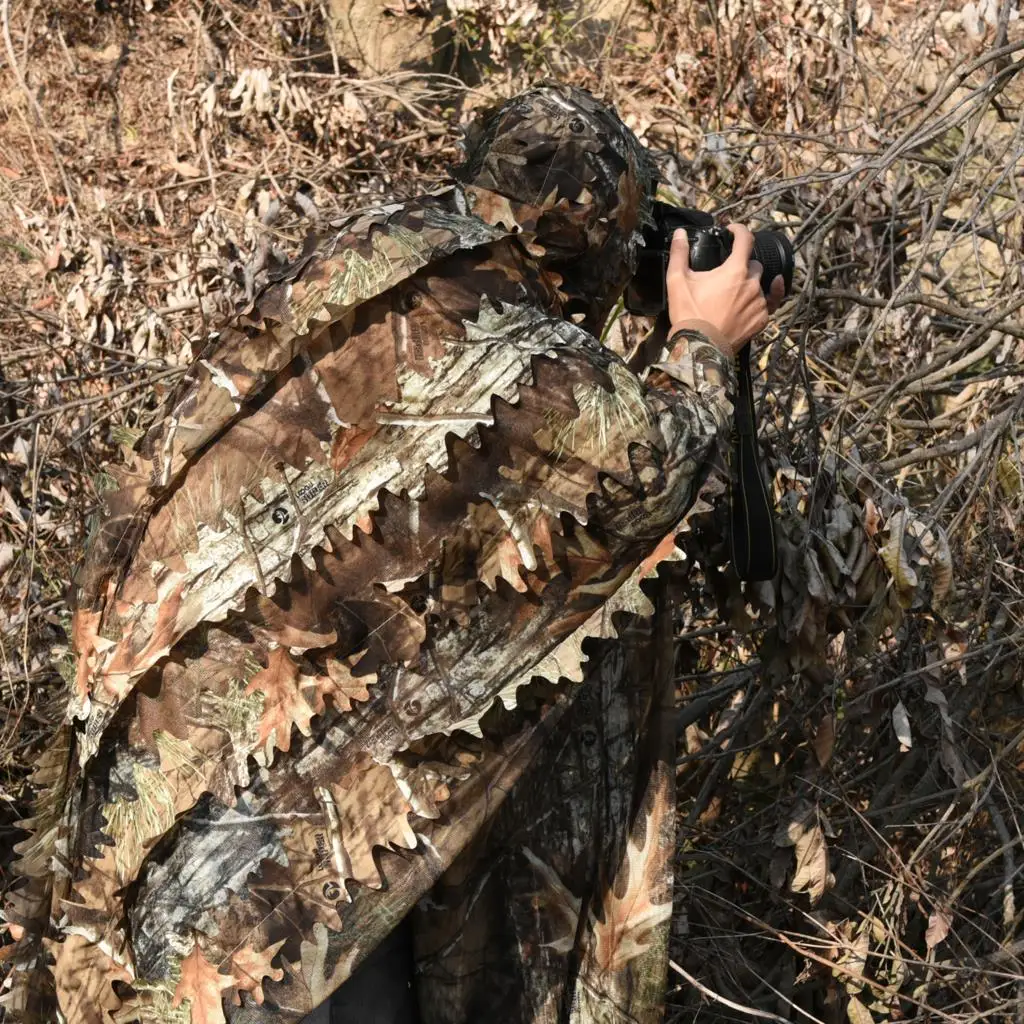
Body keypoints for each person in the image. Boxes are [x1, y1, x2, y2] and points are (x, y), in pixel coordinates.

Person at [2, 84, 782, 1024]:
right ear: (599, 237)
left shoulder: (380, 257)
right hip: (283, 842)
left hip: (178, 770)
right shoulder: (513, 343)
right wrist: (702, 336)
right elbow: (648, 468)